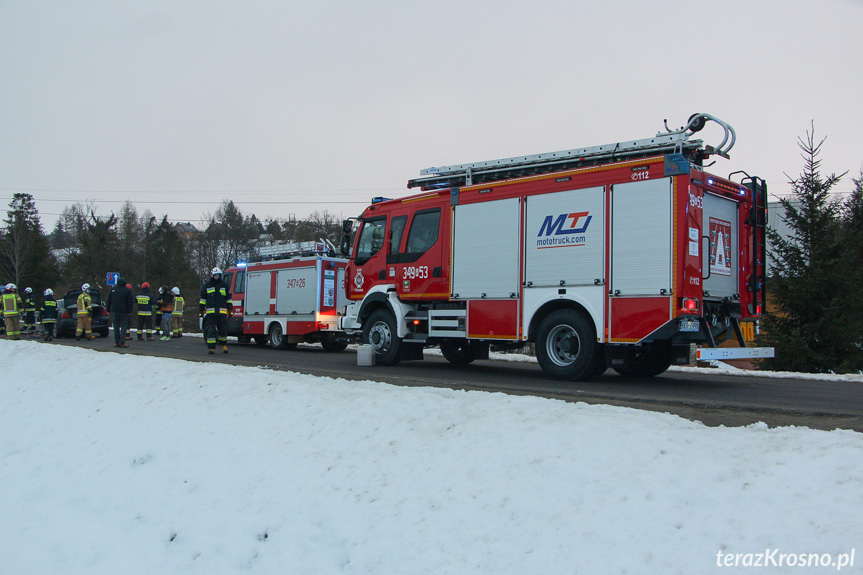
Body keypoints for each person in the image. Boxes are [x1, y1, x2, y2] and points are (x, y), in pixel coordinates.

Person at [200, 267, 232, 354]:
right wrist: (201, 309)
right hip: (210, 313)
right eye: (215, 275)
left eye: (218, 275)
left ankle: (223, 345)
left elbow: (228, 298)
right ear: (212, 275)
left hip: (222, 312)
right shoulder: (207, 286)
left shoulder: (224, 285)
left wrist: (230, 307)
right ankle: (211, 348)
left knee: (223, 330)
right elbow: (203, 298)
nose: (216, 277)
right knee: (211, 330)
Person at [106, 278, 134, 348]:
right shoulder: (127, 290)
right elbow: (130, 302)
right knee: (123, 327)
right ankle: (122, 342)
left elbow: (108, 300)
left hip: (114, 311)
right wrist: (129, 311)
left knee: (116, 327)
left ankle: (116, 342)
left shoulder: (112, 290)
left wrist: (108, 310)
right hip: (124, 311)